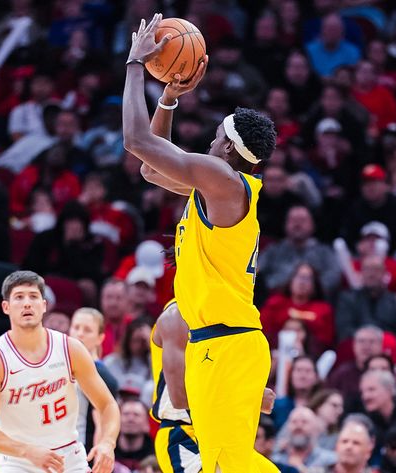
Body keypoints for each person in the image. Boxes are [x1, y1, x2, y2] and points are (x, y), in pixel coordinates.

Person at [123, 14, 278, 473]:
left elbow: (135, 140)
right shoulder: (213, 191)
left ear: (228, 148)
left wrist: (135, 65)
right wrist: (168, 98)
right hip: (216, 344)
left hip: (228, 343)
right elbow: (150, 168)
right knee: (223, 464)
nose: (209, 143)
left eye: (215, 138)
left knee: (228, 465)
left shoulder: (223, 180)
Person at [0, 270, 120, 473]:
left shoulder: (70, 348)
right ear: (6, 307)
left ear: (44, 306)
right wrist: (27, 451)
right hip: (16, 460)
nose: (27, 303)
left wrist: (108, 443)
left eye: (33, 296)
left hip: (68, 456)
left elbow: (108, 404)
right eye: (19, 297)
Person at [150, 300, 279, 473]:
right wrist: (250, 396)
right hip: (184, 435)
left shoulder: (227, 313)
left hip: (220, 432)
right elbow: (180, 398)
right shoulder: (177, 316)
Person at [68, 308, 119, 452]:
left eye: (87, 330)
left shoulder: (100, 373)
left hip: (83, 453)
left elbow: (102, 424)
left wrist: (97, 459)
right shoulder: (63, 366)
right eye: (76, 327)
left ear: (100, 338)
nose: (80, 334)